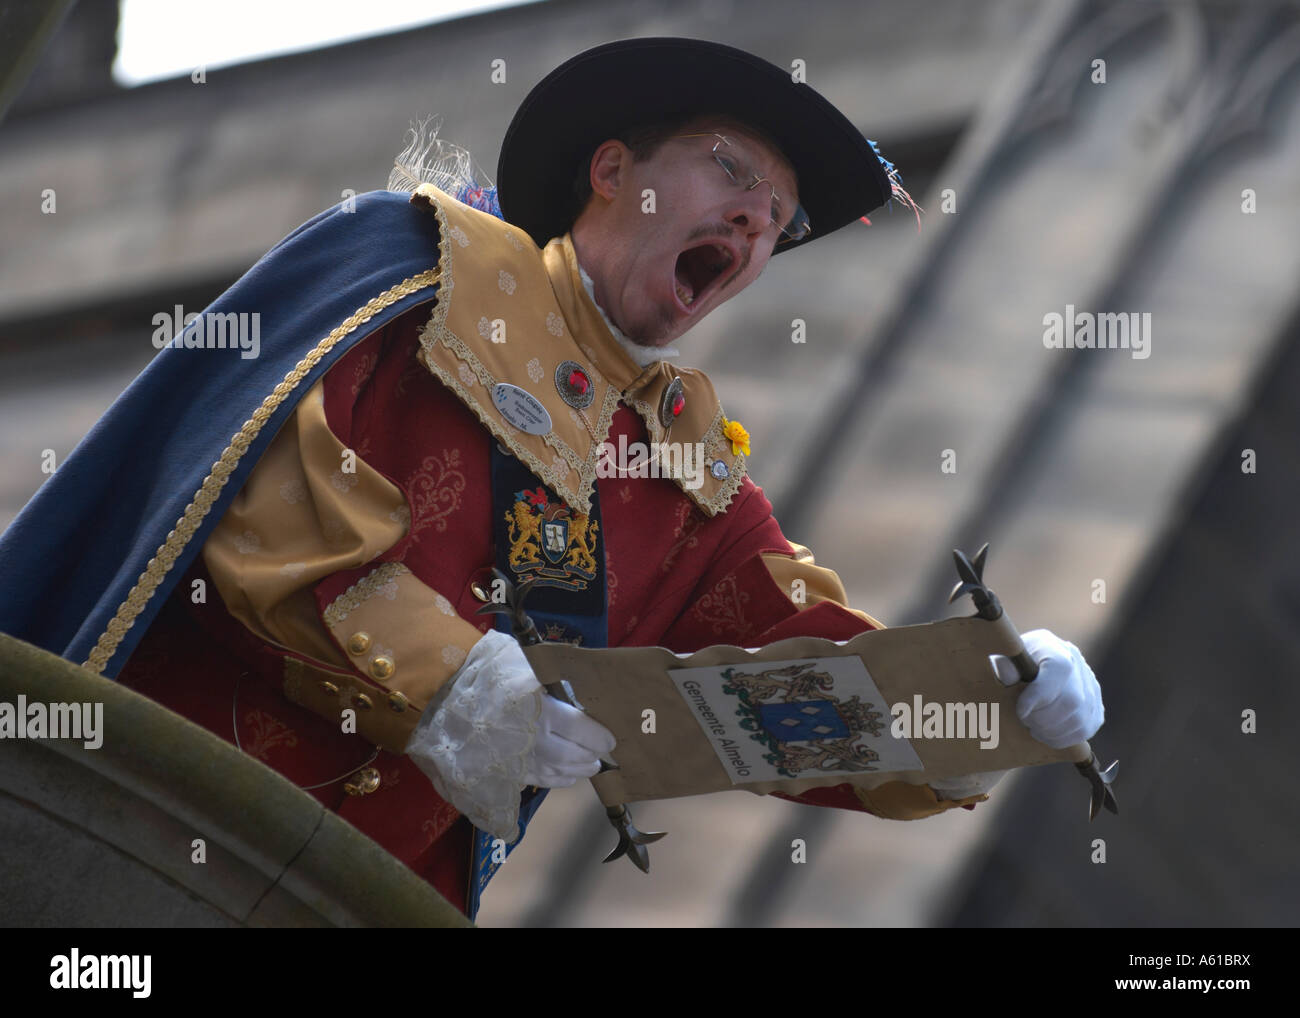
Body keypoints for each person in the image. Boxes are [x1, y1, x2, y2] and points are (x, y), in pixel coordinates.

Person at [0, 38, 1104, 920]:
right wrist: (455, 682)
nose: (755, 223)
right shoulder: (413, 270)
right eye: (730, 171)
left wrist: (988, 700)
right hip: (149, 836)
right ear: (611, 169)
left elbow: (798, 688)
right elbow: (262, 533)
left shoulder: (685, 474)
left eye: (779, 221)